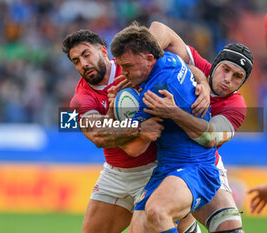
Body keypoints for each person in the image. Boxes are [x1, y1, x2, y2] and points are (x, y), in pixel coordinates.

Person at [62, 29, 208, 233]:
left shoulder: (131, 64)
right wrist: (138, 127)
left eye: (86, 55)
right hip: (115, 174)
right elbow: (97, 135)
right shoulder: (81, 99)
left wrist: (204, 86)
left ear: (103, 51)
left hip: (155, 168)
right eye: (76, 61)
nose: (83, 64)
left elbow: (185, 66)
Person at [140, 21, 253, 233]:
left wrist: (172, 111)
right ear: (215, 64)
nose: (227, 79)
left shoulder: (236, 106)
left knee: (229, 227)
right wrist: (143, 63)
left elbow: (209, 137)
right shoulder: (198, 66)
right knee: (156, 218)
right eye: (225, 69)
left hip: (202, 164)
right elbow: (159, 29)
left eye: (237, 76)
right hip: (161, 160)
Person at [109, 22, 220, 233]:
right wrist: (203, 84)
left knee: (158, 211)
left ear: (149, 58)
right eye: (121, 66)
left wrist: (115, 111)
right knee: (138, 229)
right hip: (167, 170)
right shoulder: (170, 60)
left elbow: (134, 149)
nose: (123, 73)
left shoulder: (155, 93)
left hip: (195, 168)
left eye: (128, 66)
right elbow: (192, 68)